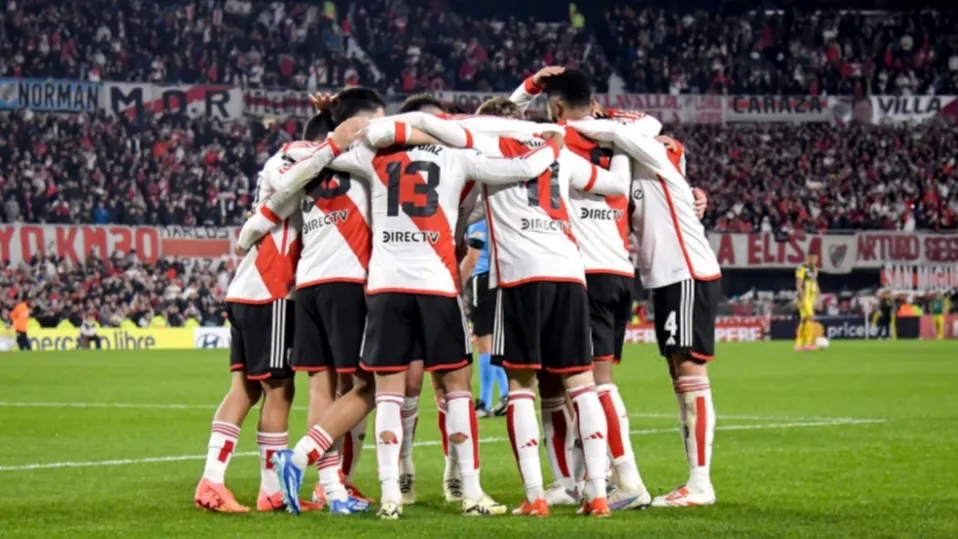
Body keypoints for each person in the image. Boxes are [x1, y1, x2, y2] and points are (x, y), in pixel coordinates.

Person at [269, 102, 559, 519]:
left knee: (387, 391)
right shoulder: (459, 154)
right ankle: (471, 492)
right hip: (436, 285)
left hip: (385, 287)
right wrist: (550, 143)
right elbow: (518, 170)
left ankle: (390, 498)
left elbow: (311, 155)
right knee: (457, 386)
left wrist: (332, 138)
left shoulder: (374, 155)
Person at [193, 115, 367, 514]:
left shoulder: (294, 164)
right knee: (279, 391)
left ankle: (214, 480)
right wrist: (334, 144)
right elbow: (293, 183)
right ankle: (268, 488)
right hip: (269, 290)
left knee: (245, 389)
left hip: (248, 288)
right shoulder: (293, 156)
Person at [572, 114, 722, 508]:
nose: (666, 145)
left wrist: (578, 122)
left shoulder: (651, 153)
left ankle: (701, 482)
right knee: (679, 373)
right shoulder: (634, 174)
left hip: (686, 271)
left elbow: (630, 131)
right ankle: (694, 480)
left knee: (690, 371)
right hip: (665, 278)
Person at [460, 217, 508, 417]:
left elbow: (472, 257)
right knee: (493, 342)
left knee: (484, 342)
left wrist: (456, 287)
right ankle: (506, 395)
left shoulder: (479, 218)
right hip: (499, 279)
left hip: (482, 280)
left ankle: (484, 402)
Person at [794, 254, 820, 351]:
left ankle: (798, 345)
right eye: (814, 258)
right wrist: (803, 299)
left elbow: (815, 283)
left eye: (816, 259)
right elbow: (799, 285)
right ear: (808, 258)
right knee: (811, 318)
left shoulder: (814, 269)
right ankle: (808, 344)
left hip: (811, 298)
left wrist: (819, 298)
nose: (815, 260)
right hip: (805, 298)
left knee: (804, 320)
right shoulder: (802, 268)